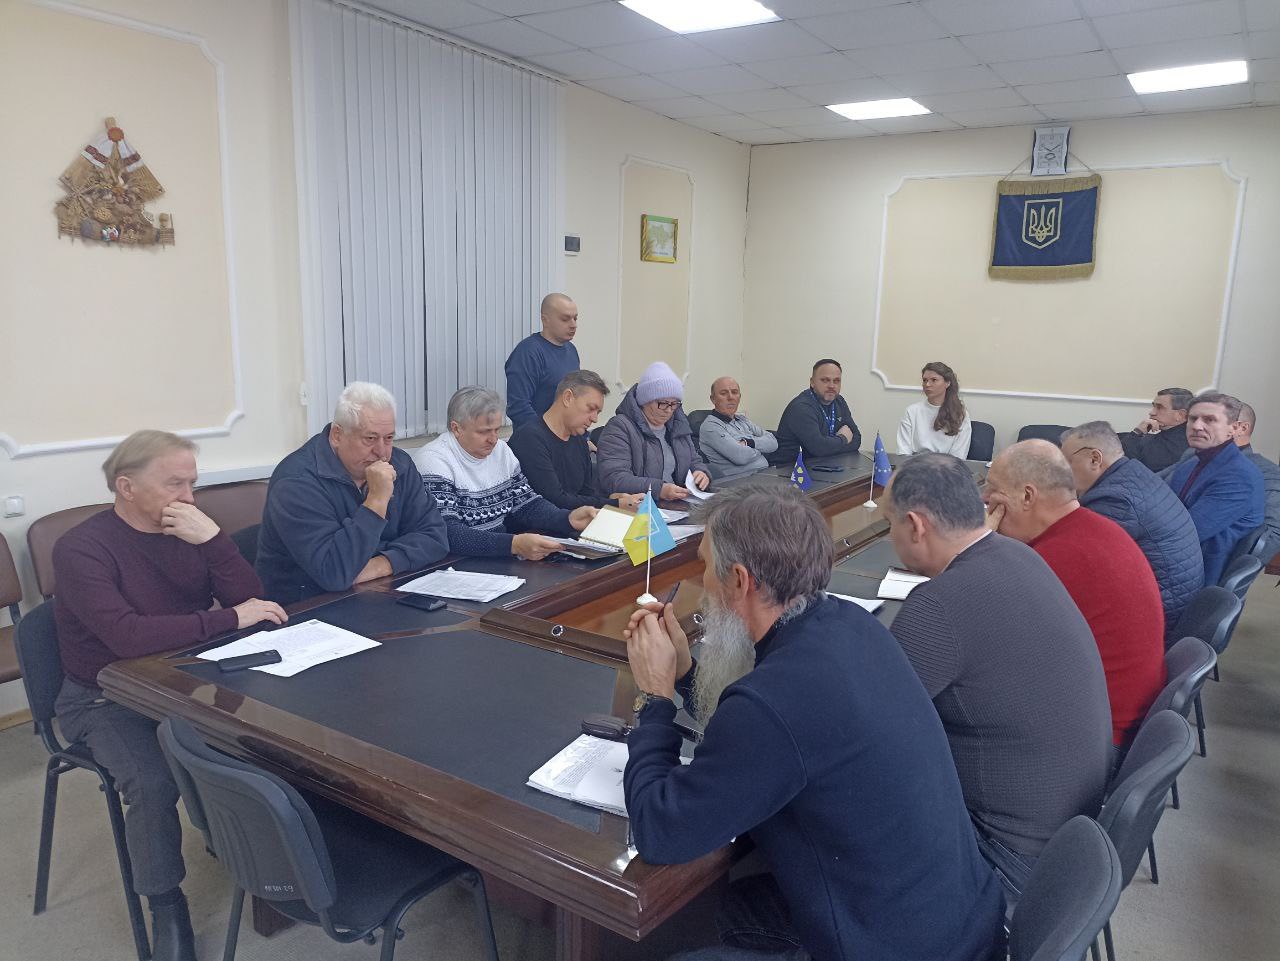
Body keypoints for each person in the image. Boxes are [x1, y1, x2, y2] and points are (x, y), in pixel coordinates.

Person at [623, 485, 1004, 961]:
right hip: (954, 921)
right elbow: (772, 737)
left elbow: (660, 830)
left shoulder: (774, 700)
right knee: (727, 902)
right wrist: (685, 674)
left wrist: (655, 696)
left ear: (739, 581)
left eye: (704, 565)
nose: (701, 583)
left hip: (894, 948)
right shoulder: (850, 624)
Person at [53, 431, 288, 961]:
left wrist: (215, 541)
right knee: (153, 782)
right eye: (175, 484)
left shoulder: (190, 527)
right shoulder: (81, 548)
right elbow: (127, 637)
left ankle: (259, 857)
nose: (188, 496)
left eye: (192, 483)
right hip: (103, 694)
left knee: (270, 736)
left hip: (184, 676)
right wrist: (228, 619)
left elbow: (250, 598)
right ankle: (165, 903)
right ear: (127, 487)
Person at [884, 453, 1111, 899]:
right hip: (1066, 842)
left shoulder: (938, 605)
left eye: (888, 523)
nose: (891, 535)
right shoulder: (1019, 554)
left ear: (915, 525)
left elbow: (866, 733)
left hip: (1004, 859)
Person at [985, 441, 1166, 749]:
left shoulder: (1053, 560)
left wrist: (979, 548)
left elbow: (979, 637)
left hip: (1092, 739)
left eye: (993, 489)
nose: (985, 499)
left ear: (1027, 496)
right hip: (1118, 717)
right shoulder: (1095, 529)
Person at [257, 382, 449, 604]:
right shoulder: (296, 482)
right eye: (370, 438)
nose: (382, 453)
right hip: (307, 606)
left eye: (389, 438)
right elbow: (335, 573)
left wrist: (381, 564)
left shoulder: (400, 463)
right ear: (337, 435)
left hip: (379, 589)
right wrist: (376, 500)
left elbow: (436, 536)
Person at [1061, 421, 1204, 642]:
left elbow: (1076, 561)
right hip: (1175, 598)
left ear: (1095, 459)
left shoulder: (1114, 500)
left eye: (1066, 462)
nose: (1061, 472)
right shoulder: (1132, 473)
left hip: (1159, 615)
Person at [415, 386, 597, 559]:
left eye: (497, 430)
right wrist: (513, 545)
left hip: (497, 555)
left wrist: (567, 518)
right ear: (456, 429)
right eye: (484, 432)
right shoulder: (434, 461)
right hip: (453, 562)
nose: (493, 439)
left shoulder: (501, 451)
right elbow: (448, 533)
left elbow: (527, 504)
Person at [1164, 392, 1265, 585]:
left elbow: (1185, 533)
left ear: (1233, 428)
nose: (1197, 426)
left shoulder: (1240, 476)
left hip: (1193, 577)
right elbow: (1159, 507)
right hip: (1175, 561)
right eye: (1193, 418)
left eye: (1209, 420)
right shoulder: (1191, 463)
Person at [508, 369, 644, 511]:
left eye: (598, 412)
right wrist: (614, 504)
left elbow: (586, 495)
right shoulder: (529, 440)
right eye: (591, 408)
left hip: (575, 521)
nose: (595, 419)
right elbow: (555, 500)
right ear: (568, 398)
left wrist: (611, 498)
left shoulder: (579, 441)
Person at [596, 361, 710, 500]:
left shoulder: (678, 425)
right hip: (640, 506)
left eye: (674, 404)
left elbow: (693, 459)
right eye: (663, 403)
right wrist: (658, 489)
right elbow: (614, 479)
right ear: (645, 401)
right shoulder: (620, 427)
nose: (669, 410)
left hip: (677, 502)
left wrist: (700, 472)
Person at [504, 292, 581, 429]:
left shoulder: (571, 350)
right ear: (545, 320)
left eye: (575, 318)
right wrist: (546, 434)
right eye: (565, 319)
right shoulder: (528, 353)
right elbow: (518, 407)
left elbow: (574, 399)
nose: (573, 325)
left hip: (567, 435)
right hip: (536, 437)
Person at [771, 359, 861, 465]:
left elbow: (857, 439)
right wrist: (843, 438)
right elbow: (819, 448)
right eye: (825, 380)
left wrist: (829, 447)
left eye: (836, 381)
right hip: (790, 468)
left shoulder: (839, 401)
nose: (832, 386)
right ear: (812, 382)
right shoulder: (801, 407)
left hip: (823, 464)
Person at [698, 376, 778, 480]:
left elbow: (773, 442)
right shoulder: (710, 426)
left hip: (765, 474)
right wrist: (763, 449)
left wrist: (749, 443)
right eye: (723, 393)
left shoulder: (742, 420)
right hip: (738, 482)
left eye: (734, 392)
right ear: (713, 399)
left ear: (739, 397)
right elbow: (741, 456)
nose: (730, 397)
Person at [897, 361, 972, 457]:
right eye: (925, 380)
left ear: (947, 383)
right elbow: (903, 451)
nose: (927, 384)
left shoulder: (960, 413)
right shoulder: (911, 411)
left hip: (948, 465)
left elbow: (958, 455)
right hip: (915, 464)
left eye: (934, 380)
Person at [1233, 403, 1280, 554]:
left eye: (1211, 420)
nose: (1197, 426)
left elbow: (1269, 537)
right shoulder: (1191, 458)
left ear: (1242, 428)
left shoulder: (1267, 473)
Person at [1120, 387, 1193, 472]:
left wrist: (1136, 433)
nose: (1151, 413)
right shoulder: (1179, 436)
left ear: (1180, 415)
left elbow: (1125, 464)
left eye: (1159, 407)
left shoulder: (1176, 447)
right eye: (1154, 406)